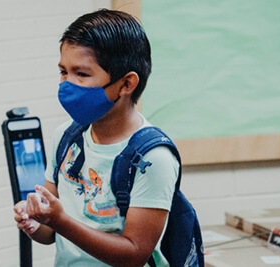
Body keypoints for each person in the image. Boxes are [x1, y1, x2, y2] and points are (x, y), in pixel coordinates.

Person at [14, 9, 179, 267]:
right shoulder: (67, 137)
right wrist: (35, 221)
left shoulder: (152, 158)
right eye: (63, 71)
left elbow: (134, 255)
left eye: (81, 74)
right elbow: (51, 234)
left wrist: (60, 221)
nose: (67, 84)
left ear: (126, 84)